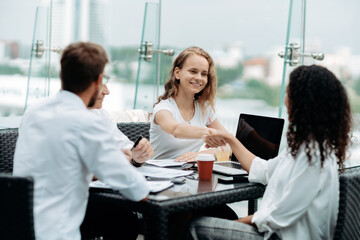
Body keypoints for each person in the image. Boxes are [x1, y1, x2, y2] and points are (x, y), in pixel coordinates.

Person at [188, 65, 352, 240]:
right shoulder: (308, 146)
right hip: (278, 232)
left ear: (303, 102)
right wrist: (231, 139)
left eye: (289, 93)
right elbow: (263, 170)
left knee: (195, 226)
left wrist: (235, 224)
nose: (285, 99)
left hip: (281, 237)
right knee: (215, 214)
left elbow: (275, 217)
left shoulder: (313, 155)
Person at [13, 42, 149, 240]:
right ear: (98, 80)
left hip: (18, 225)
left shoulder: (35, 110)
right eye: (105, 81)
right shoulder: (86, 122)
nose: (107, 91)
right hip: (57, 234)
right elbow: (137, 190)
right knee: (126, 221)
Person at [150, 46, 229, 162]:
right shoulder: (163, 108)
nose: (198, 78)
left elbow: (229, 145)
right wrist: (208, 134)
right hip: (160, 175)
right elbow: (176, 130)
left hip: (189, 174)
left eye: (204, 74)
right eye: (193, 71)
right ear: (177, 73)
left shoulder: (205, 109)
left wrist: (206, 153)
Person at [89, 82, 154, 165]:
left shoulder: (100, 113)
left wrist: (136, 156)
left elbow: (124, 147)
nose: (107, 91)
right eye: (100, 83)